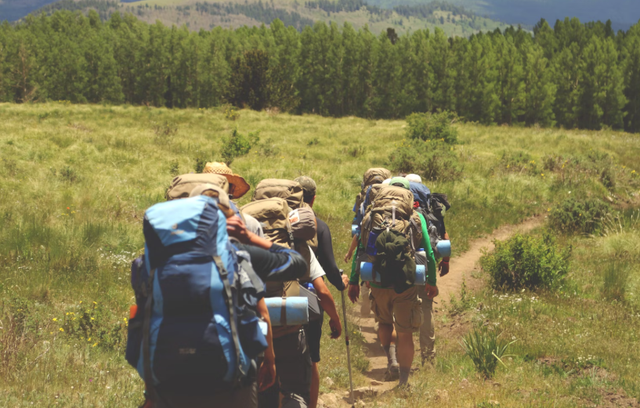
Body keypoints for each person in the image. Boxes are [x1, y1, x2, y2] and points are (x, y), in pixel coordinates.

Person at [133, 183, 308, 408]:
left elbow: (146, 320)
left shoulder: (154, 263)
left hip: (170, 380)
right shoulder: (240, 255)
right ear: (228, 217)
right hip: (231, 383)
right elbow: (297, 264)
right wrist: (250, 238)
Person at [347, 177, 437, 388]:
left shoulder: (370, 216)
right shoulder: (415, 217)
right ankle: (404, 382)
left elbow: (360, 250)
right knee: (405, 332)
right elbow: (430, 253)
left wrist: (353, 280)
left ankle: (391, 361)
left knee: (384, 323)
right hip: (405, 282)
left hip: (378, 281)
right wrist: (431, 281)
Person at [292, 176, 347, 408]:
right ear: (313, 199)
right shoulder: (318, 226)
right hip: (310, 300)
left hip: (274, 297)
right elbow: (330, 269)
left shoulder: (277, 224)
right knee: (312, 359)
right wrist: (342, 283)